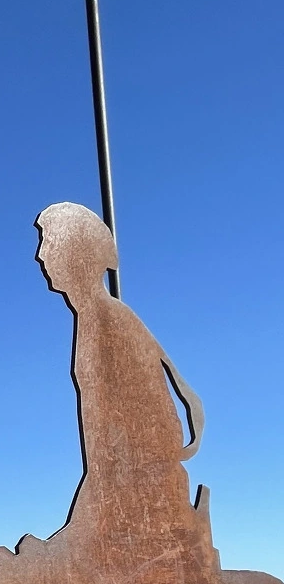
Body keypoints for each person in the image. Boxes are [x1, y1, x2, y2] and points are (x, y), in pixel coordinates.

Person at [34, 202, 209, 563]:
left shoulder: (108, 321)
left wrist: (82, 535)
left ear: (78, 252)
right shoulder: (94, 320)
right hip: (122, 512)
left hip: (142, 521)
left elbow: (141, 444)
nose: (41, 255)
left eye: (49, 242)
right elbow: (105, 454)